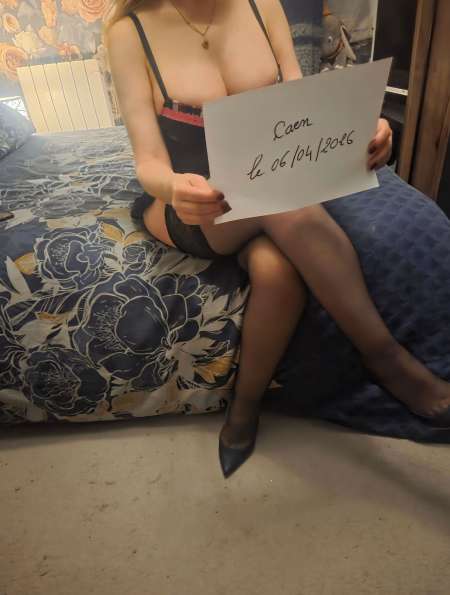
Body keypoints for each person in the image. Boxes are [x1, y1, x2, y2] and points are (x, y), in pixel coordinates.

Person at [105, 0, 450, 478]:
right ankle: (385, 357)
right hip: (195, 204)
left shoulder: (261, 4)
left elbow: (302, 111)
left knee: (276, 270)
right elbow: (148, 162)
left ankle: (243, 410)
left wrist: (364, 129)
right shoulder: (129, 32)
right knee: (282, 201)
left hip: (273, 187)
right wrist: (174, 189)